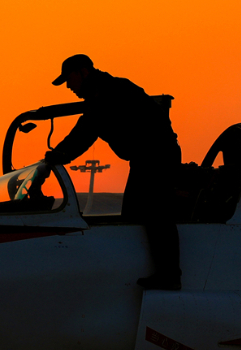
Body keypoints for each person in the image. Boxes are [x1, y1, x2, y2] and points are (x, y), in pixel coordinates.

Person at [43, 54, 182, 290]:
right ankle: (144, 270)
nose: (68, 86)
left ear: (84, 72)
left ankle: (169, 276)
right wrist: (59, 154)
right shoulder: (103, 95)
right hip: (145, 159)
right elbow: (87, 126)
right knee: (132, 214)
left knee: (156, 214)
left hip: (157, 156)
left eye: (70, 78)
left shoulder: (111, 92)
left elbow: (86, 130)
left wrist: (59, 155)